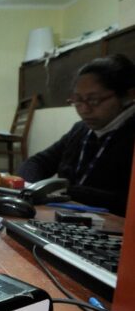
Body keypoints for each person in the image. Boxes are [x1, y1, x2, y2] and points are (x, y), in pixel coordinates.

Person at [18, 54, 135, 216]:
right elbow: (36, 162)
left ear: (129, 96)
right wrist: (33, 187)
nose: (84, 109)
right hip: (67, 217)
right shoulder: (81, 130)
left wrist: (64, 191)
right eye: (77, 101)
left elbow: (125, 201)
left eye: (94, 100)